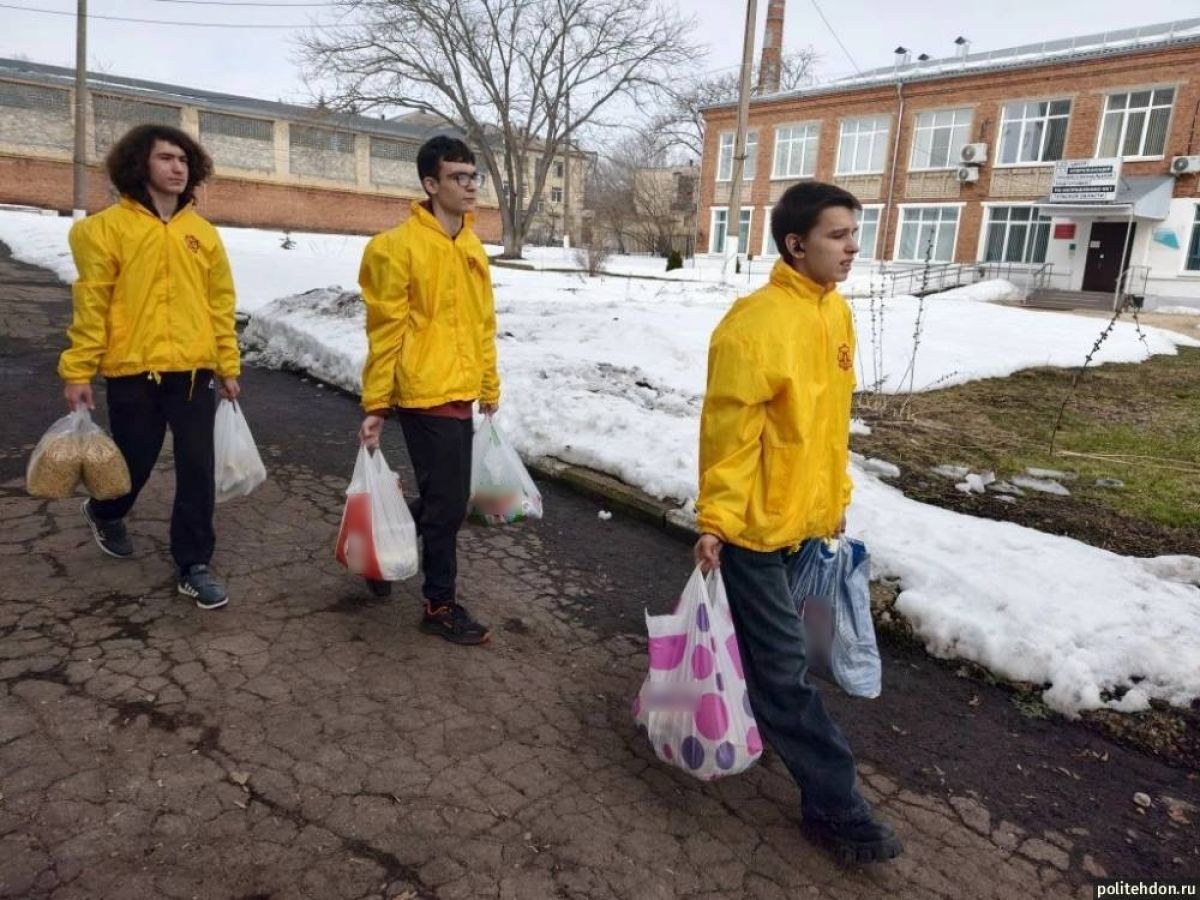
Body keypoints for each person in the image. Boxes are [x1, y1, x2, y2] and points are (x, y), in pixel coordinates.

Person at [693, 182, 903, 864]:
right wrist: (717, 520)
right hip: (754, 531)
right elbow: (728, 438)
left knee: (765, 654)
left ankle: (730, 714)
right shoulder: (753, 325)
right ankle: (836, 806)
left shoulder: (833, 313)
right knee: (786, 670)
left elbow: (827, 427)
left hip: (806, 525)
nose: (852, 247)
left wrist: (834, 498)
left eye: (853, 233)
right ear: (795, 244)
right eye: (838, 235)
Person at [60, 124, 241, 611]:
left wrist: (227, 365)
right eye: (165, 158)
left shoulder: (202, 235)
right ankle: (106, 511)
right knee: (133, 463)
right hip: (132, 370)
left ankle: (194, 564)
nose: (177, 167)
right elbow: (92, 306)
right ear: (140, 164)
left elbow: (220, 305)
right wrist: (78, 371)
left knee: (197, 468)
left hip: (193, 372)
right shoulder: (104, 230)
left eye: (183, 159)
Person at [357, 135, 500, 646]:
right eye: (458, 177)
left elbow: (483, 324)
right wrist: (377, 403)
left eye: (473, 176)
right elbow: (385, 331)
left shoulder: (472, 246)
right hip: (422, 392)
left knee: (449, 501)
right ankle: (439, 605)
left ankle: (377, 549)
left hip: (461, 390)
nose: (470, 186)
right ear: (430, 184)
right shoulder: (395, 248)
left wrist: (488, 384)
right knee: (447, 507)